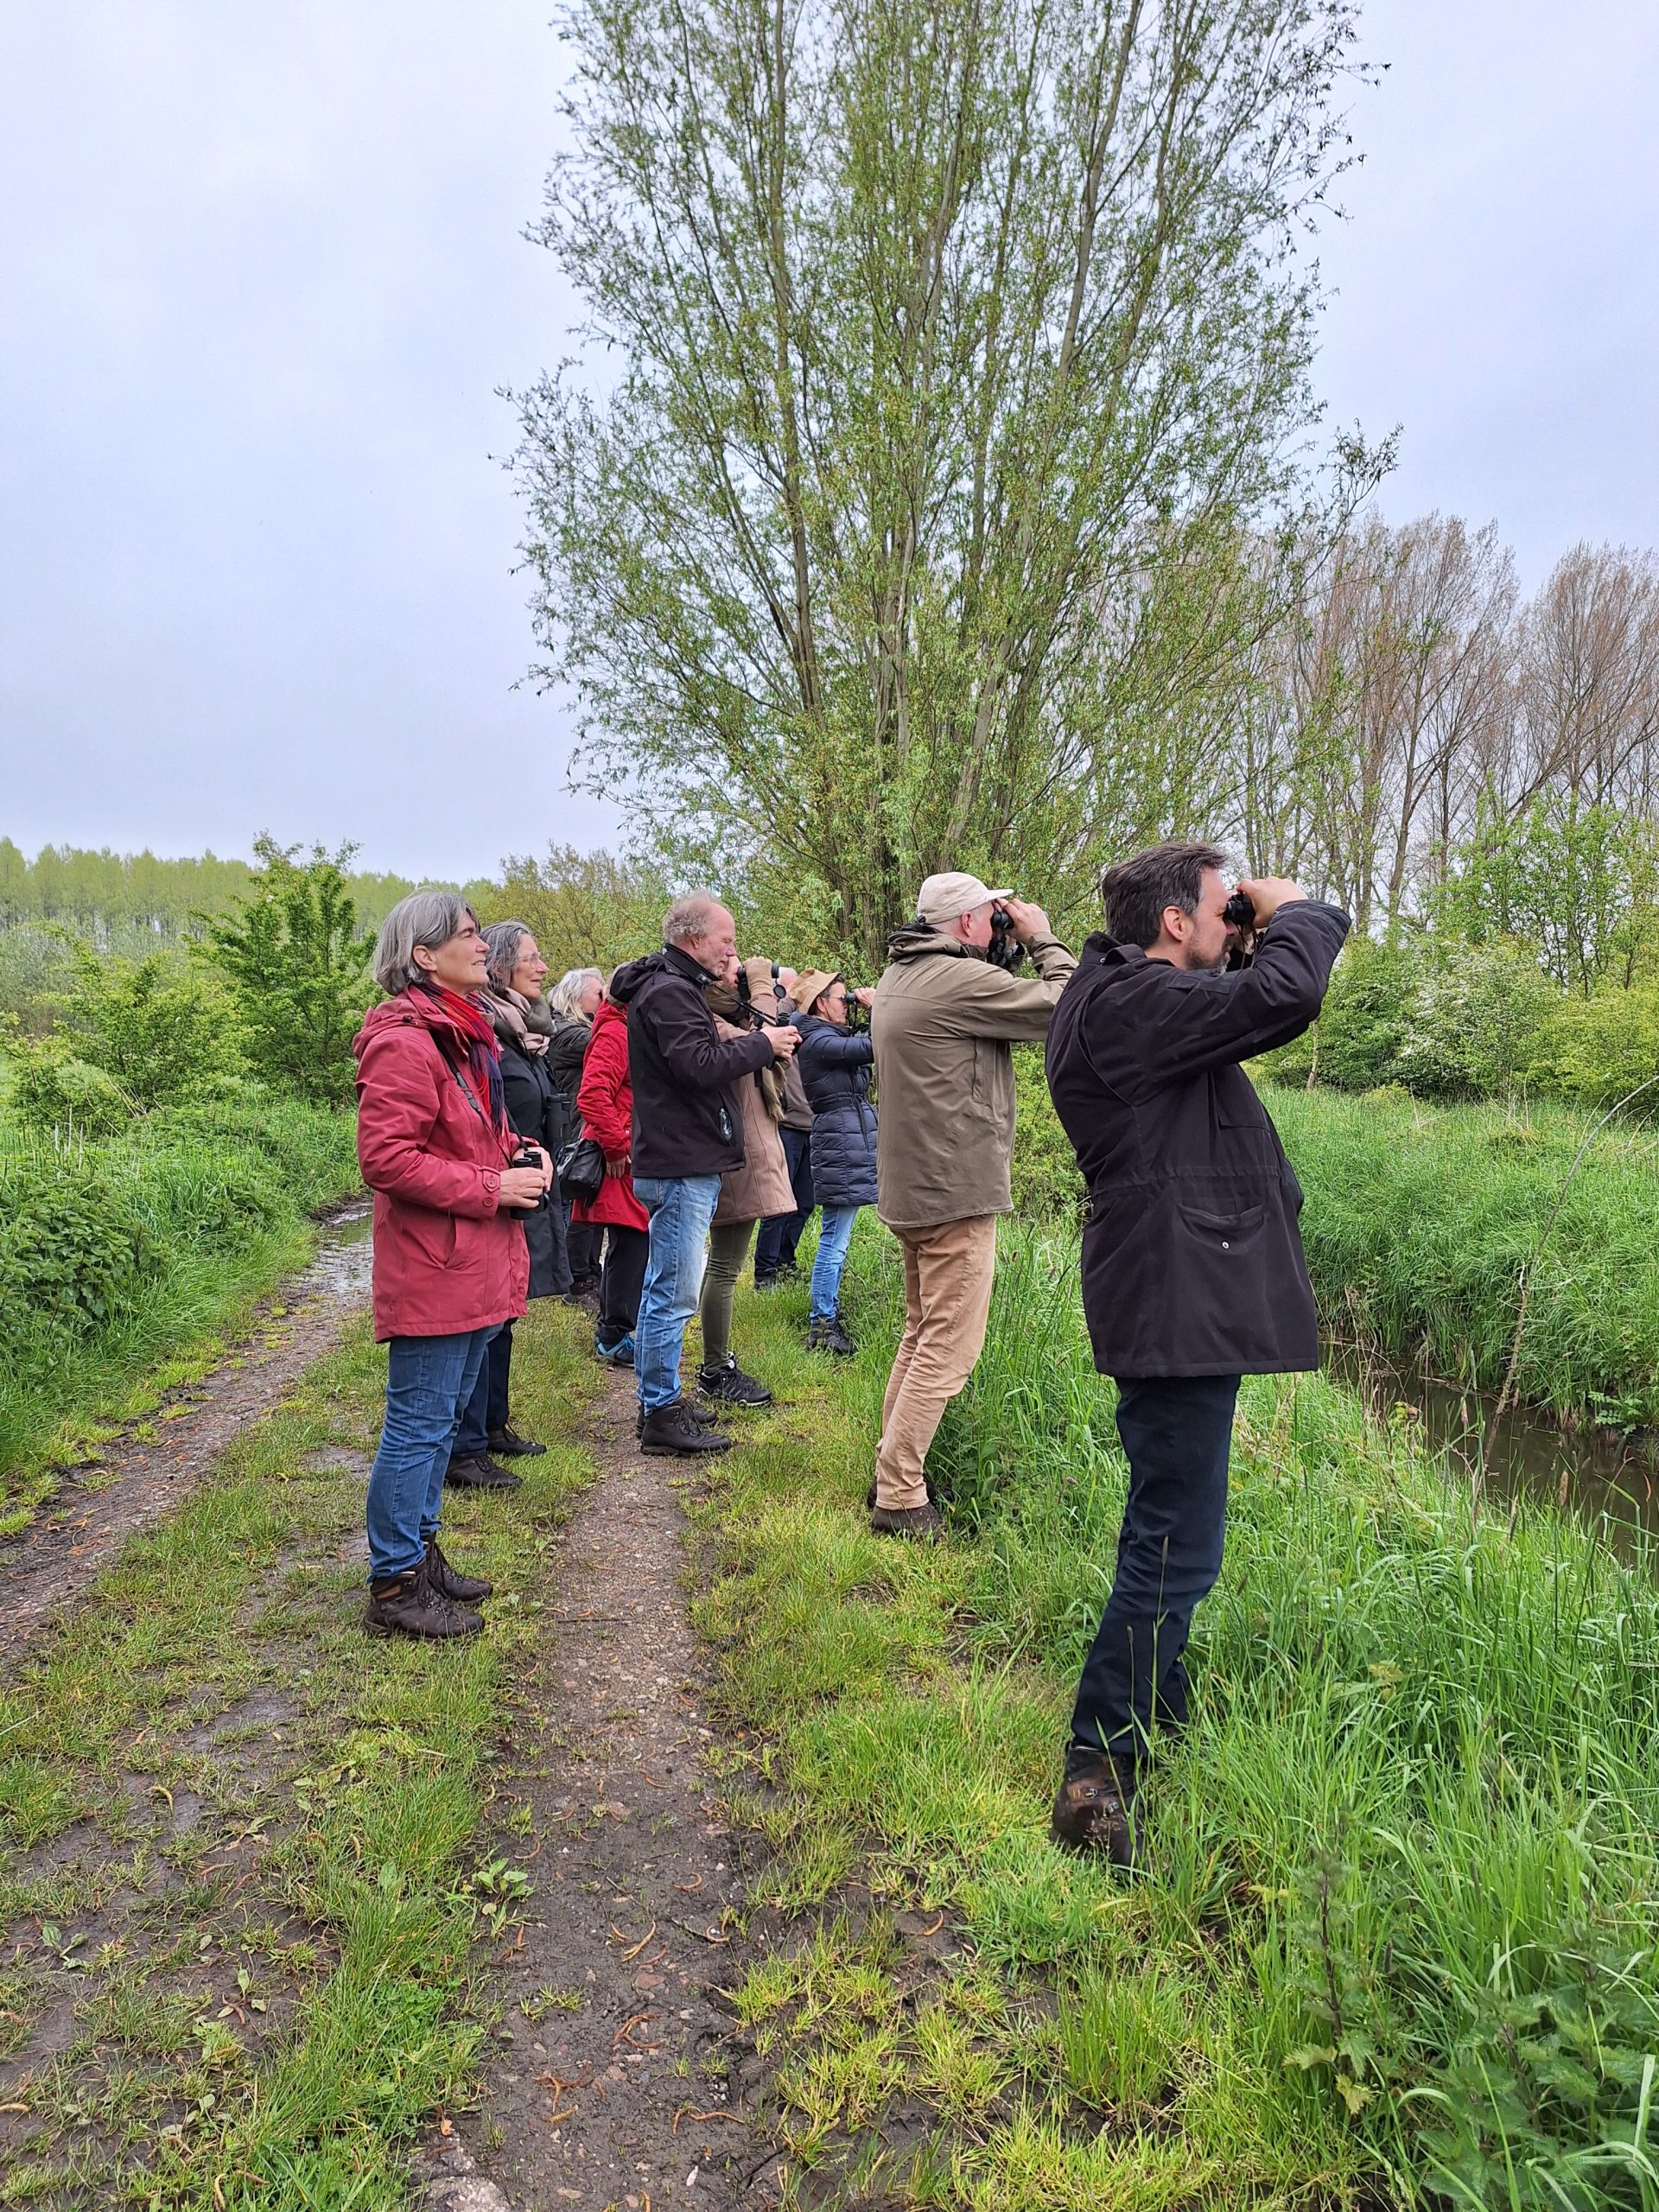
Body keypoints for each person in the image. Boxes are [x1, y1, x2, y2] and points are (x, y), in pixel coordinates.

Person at [1044, 842, 1350, 1865]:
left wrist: (1246, 929)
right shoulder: (1131, 1003)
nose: (1237, 921)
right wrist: (1299, 907)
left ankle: (1157, 1720)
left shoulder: (1126, 1000)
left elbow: (1248, 995)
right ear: (1174, 920)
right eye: (1223, 908)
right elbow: (1286, 995)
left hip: (1172, 1294)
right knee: (1175, 1543)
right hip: (1171, 1300)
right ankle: (1100, 1764)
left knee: (1171, 1529)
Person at [353, 891, 550, 1638]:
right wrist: (490, 1187)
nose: (482, 944)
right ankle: (395, 1584)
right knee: (419, 1422)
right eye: (466, 934)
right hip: (436, 1261)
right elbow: (386, 1159)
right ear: (423, 957)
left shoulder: (460, 1034)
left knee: (440, 1425)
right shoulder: (405, 1041)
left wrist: (520, 1158)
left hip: (472, 1257)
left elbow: (468, 1137)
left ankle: (420, 1552)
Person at [868, 871, 1077, 1539]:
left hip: (914, 1189)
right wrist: (1042, 937)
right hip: (952, 1191)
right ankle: (900, 1497)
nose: (999, 925)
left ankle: (892, 1471)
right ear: (964, 923)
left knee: (919, 1335)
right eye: (991, 915)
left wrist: (1003, 946)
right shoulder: (957, 983)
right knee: (947, 1352)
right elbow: (1066, 1008)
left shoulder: (905, 973)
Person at [608, 893, 799, 1457]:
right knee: (671, 1293)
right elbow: (699, 1066)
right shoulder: (670, 992)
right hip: (680, 1163)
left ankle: (658, 1400)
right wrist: (764, 1044)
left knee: (663, 1288)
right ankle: (662, 1414)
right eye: (727, 939)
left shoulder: (675, 986)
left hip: (681, 1158)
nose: (733, 949)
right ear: (694, 939)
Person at [441, 920, 574, 1480]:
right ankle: (465, 1448)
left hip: (523, 1186)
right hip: (490, 1194)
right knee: (484, 1319)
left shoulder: (523, 1031)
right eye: (531, 958)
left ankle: (491, 1427)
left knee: (506, 1315)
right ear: (499, 966)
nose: (542, 967)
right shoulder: (487, 1033)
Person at [697, 955, 797, 1404]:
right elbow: (766, 1039)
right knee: (723, 1267)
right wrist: (758, 980)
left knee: (725, 1265)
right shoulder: (716, 1027)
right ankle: (716, 1370)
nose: (734, 971)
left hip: (742, 1154)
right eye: (727, 967)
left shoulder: (723, 1023)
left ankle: (716, 1365)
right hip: (737, 1157)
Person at [790, 969, 878, 1355]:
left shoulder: (827, 1036)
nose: (847, 1005)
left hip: (847, 1139)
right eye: (843, 999)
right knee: (834, 1240)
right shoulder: (817, 1040)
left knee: (836, 1237)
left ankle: (825, 1318)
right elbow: (873, 1047)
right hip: (839, 1143)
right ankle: (822, 1325)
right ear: (821, 1004)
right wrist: (879, 1011)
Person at [571, 980, 651, 1367]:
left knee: (630, 1242)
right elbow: (591, 1094)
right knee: (630, 1242)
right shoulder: (616, 1032)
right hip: (616, 1156)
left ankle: (615, 1330)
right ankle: (612, 1336)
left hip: (625, 1150)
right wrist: (616, 1145)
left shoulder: (622, 1027)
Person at [549, 967, 604, 1301]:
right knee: (579, 1208)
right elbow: (609, 1043)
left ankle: (587, 1274)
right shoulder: (567, 1034)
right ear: (576, 997)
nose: (603, 1000)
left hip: (583, 1130)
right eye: (598, 994)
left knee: (589, 1204)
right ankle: (576, 1281)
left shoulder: (573, 1029)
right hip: (575, 1134)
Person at [753, 1034, 816, 1289]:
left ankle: (784, 1262)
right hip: (787, 1126)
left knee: (804, 1203)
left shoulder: (824, 1033)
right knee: (778, 1204)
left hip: (812, 1128)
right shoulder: (787, 1024)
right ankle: (764, 1272)